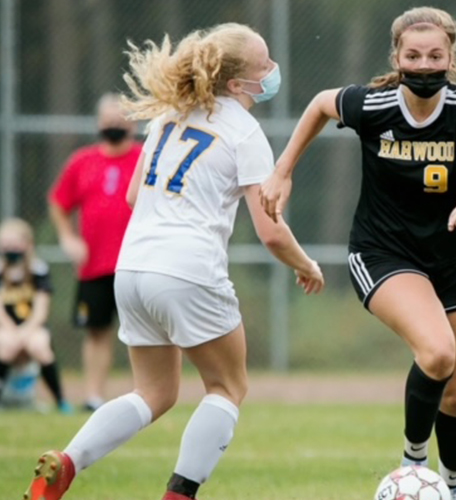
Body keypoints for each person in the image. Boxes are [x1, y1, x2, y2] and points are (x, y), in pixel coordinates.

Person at [25, 22, 324, 500]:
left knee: (154, 393)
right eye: (263, 66)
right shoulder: (245, 132)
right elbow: (270, 232)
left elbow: (131, 196)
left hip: (133, 268)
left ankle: (67, 461)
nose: (272, 72)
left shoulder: (169, 117)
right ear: (236, 83)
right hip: (188, 269)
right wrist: (306, 264)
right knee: (227, 388)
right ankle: (179, 494)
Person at [260, 7, 456, 500]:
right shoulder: (374, 106)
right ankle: (412, 466)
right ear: (397, 57)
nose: (425, 65)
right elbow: (320, 104)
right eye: (414, 55)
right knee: (437, 351)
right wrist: (283, 169)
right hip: (384, 253)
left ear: (451, 57)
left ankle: (452, 489)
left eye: (435, 56)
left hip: (454, 257)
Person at [48, 93, 142, 412]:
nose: (115, 126)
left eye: (121, 121)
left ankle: (144, 396)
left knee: (143, 333)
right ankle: (93, 396)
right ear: (99, 124)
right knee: (96, 332)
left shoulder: (144, 158)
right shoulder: (82, 162)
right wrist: (67, 238)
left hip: (138, 263)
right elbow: (59, 203)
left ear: (133, 123)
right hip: (95, 265)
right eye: (109, 121)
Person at [0, 218, 71, 413]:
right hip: (6, 328)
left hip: (32, 327)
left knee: (39, 345)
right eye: (5, 245)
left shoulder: (38, 270)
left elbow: (41, 311)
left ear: (27, 244)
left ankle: (60, 401)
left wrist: (23, 333)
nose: (9, 249)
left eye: (14, 244)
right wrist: (14, 333)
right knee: (5, 345)